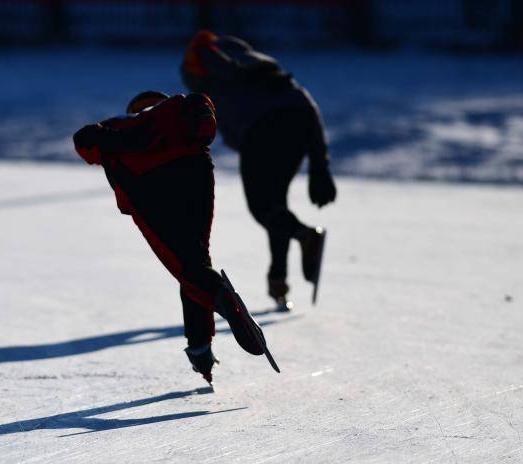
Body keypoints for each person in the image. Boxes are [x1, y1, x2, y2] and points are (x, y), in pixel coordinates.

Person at [73, 91, 279, 383]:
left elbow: (84, 143)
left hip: (147, 186)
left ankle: (222, 300)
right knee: (195, 261)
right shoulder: (179, 115)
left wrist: (117, 144)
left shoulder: (115, 126)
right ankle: (200, 346)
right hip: (194, 173)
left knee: (185, 267)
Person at [181, 30, 337, 310]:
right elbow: (305, 104)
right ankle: (278, 282)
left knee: (262, 208)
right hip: (298, 127)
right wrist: (319, 165)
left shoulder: (211, 70)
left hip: (262, 133)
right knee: (275, 206)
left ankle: (305, 236)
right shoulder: (257, 64)